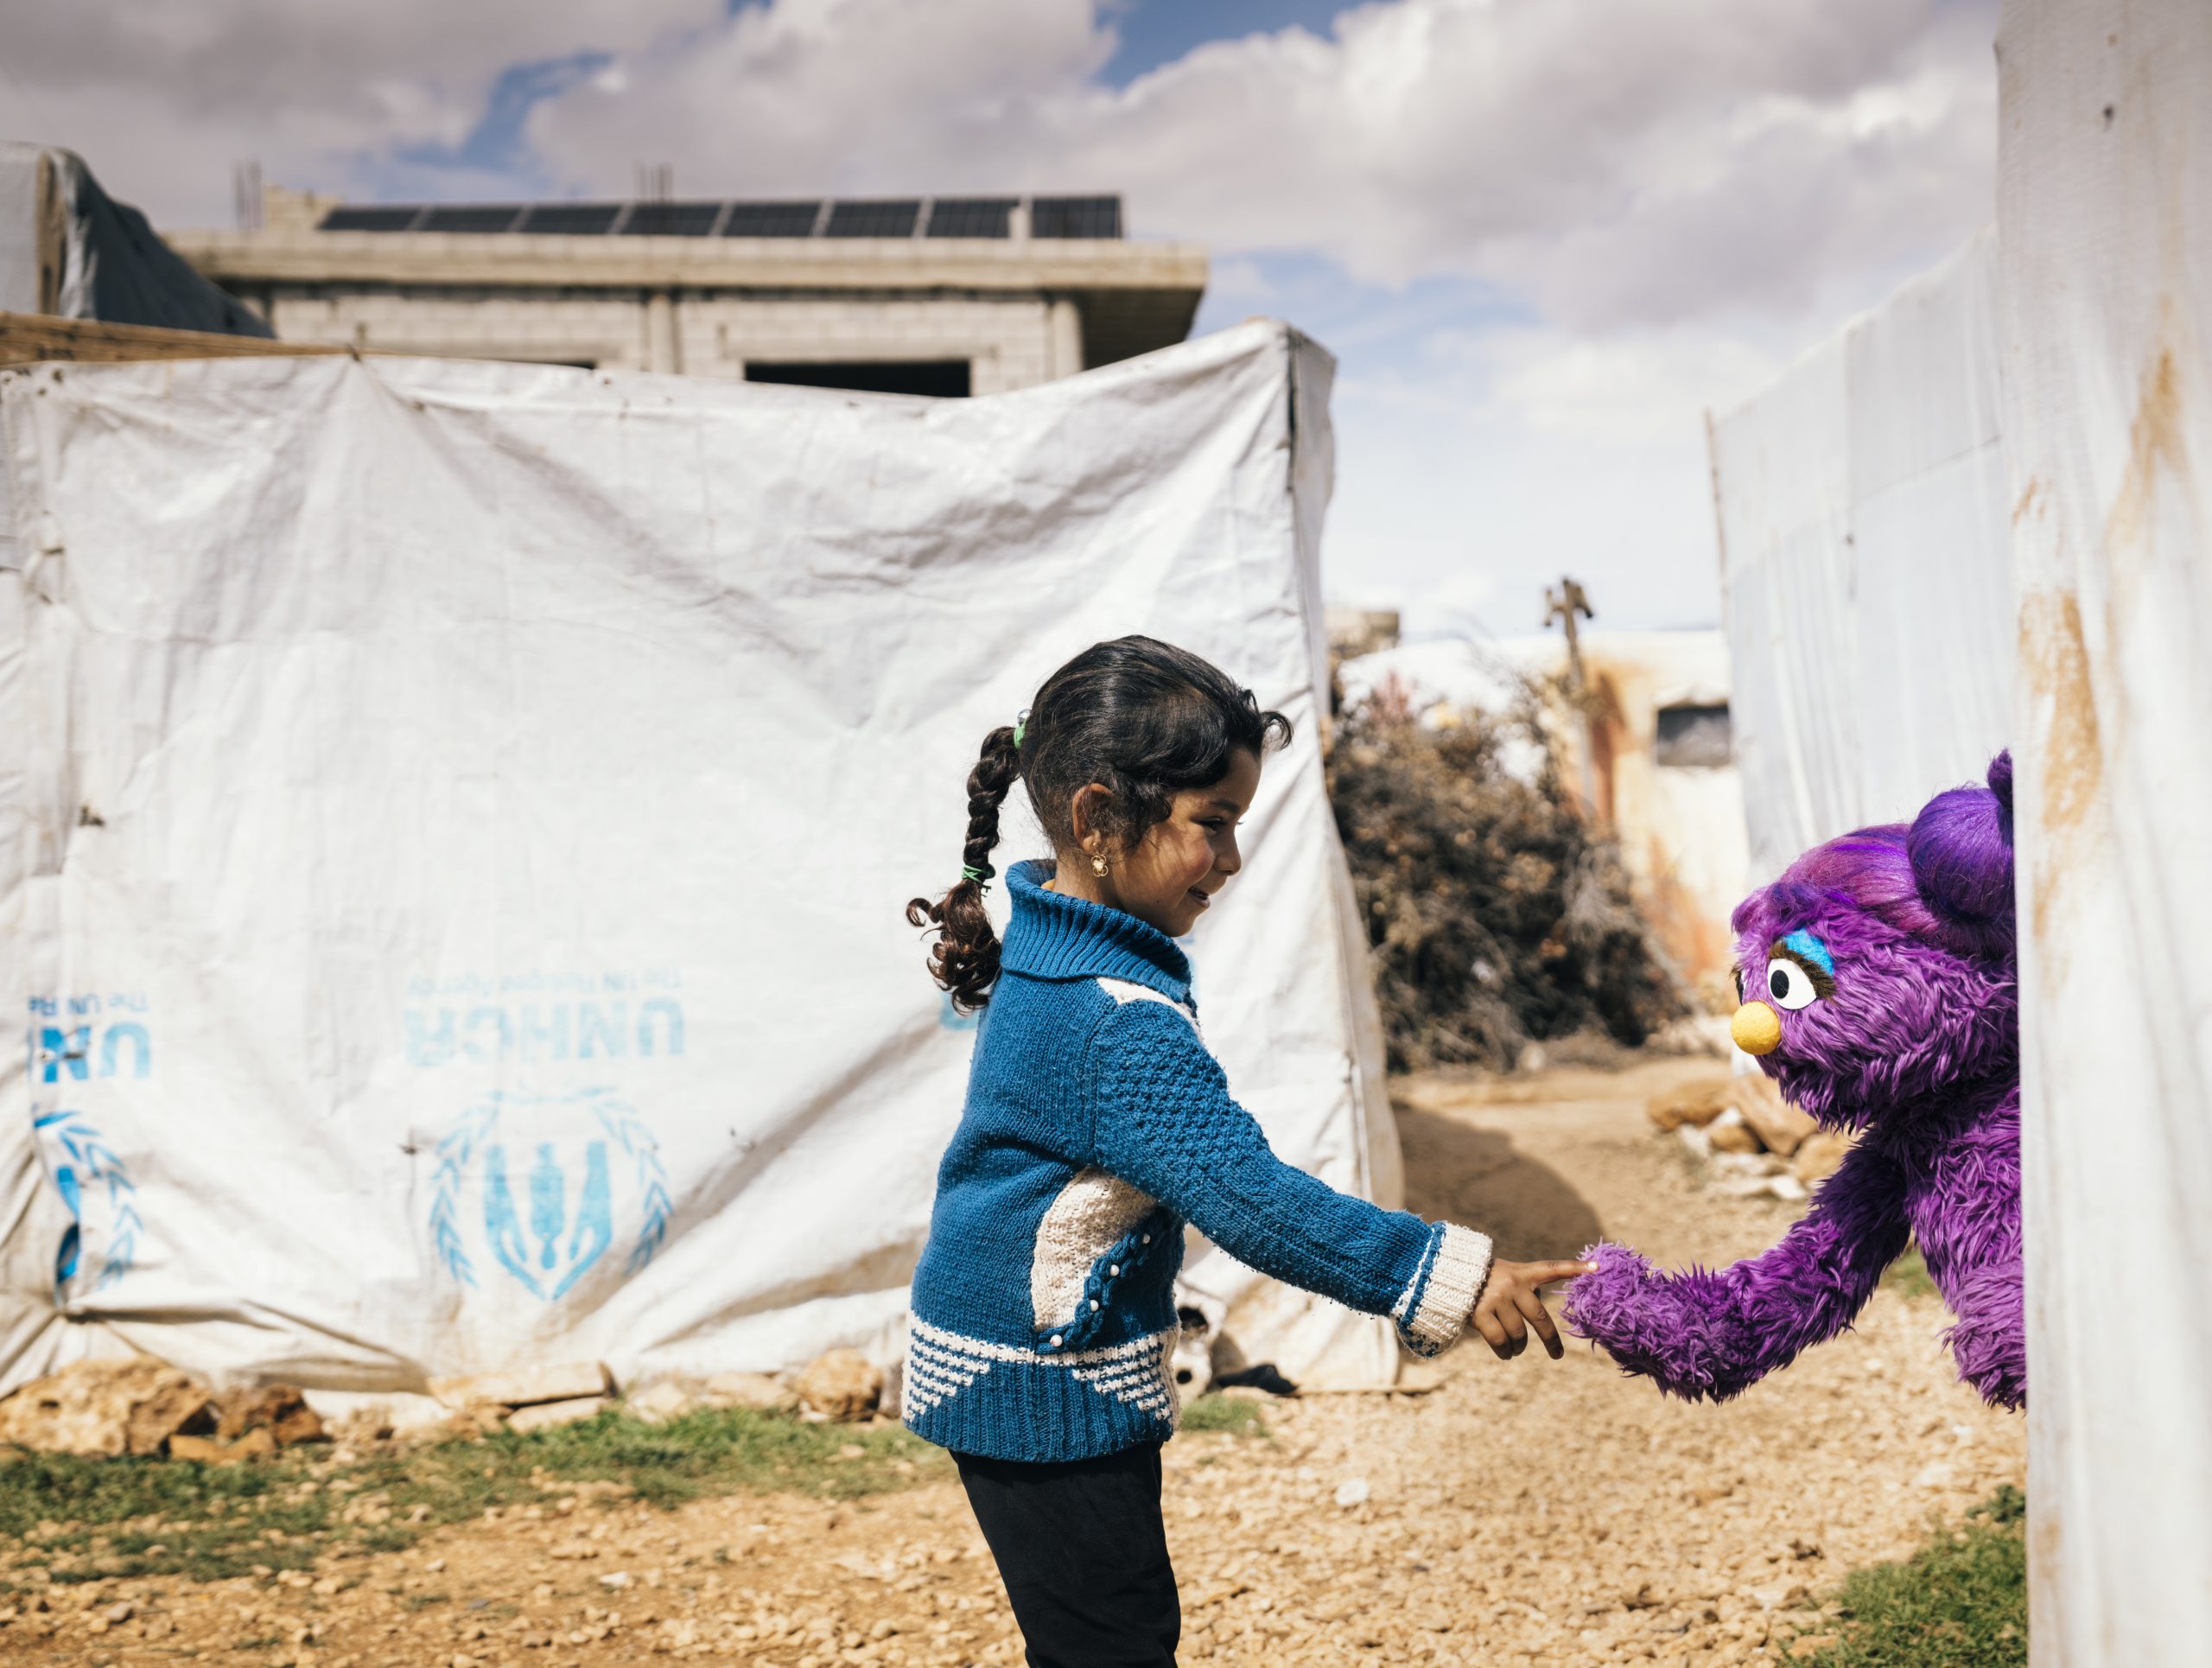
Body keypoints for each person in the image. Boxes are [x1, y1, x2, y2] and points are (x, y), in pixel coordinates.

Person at [902, 636, 1592, 1668]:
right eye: (1211, 824)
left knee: (1099, 1632)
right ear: (1095, 819)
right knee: (1116, 1642)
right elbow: (1254, 1200)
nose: (1231, 860)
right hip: (1039, 1379)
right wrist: (1441, 1273)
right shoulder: (1114, 1024)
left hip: (1012, 1359)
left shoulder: (1051, 952)